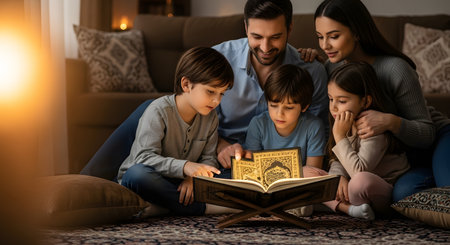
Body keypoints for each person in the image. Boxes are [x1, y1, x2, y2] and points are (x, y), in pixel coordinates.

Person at [312, 0, 450, 202]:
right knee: (403, 195)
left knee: (445, 194)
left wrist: (390, 121)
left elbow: (427, 134)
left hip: (435, 140)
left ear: (356, 32)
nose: (325, 45)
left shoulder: (396, 69)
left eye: (334, 36)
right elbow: (336, 132)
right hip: (399, 160)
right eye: (319, 37)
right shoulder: (331, 68)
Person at [117, 47, 235, 216]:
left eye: (221, 94)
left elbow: (209, 158)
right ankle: (204, 208)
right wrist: (186, 167)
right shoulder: (158, 111)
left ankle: (163, 207)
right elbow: (144, 158)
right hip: (151, 178)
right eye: (210, 91)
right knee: (137, 175)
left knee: (235, 175)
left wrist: (194, 179)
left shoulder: (210, 117)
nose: (217, 100)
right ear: (186, 84)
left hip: (180, 183)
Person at [213, 0, 329, 169]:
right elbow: (198, 122)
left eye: (275, 37)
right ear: (246, 28)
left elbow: (319, 131)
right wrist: (220, 145)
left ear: (289, 29)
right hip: (223, 161)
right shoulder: (218, 60)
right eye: (257, 37)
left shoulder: (312, 71)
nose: (265, 48)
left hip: (290, 170)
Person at [307, 62, 410, 220]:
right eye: (330, 99)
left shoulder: (373, 129)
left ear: (365, 102)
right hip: (352, 189)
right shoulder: (345, 120)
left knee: (360, 181)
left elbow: (359, 171)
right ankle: (349, 209)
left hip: (380, 190)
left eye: (341, 101)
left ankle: (331, 204)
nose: (333, 107)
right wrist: (338, 177)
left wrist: (339, 136)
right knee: (304, 172)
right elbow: (337, 159)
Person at [245, 64, 325, 170]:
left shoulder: (313, 127)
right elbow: (252, 168)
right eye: (273, 106)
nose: (279, 114)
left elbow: (313, 171)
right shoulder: (258, 124)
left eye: (288, 108)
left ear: (304, 107)